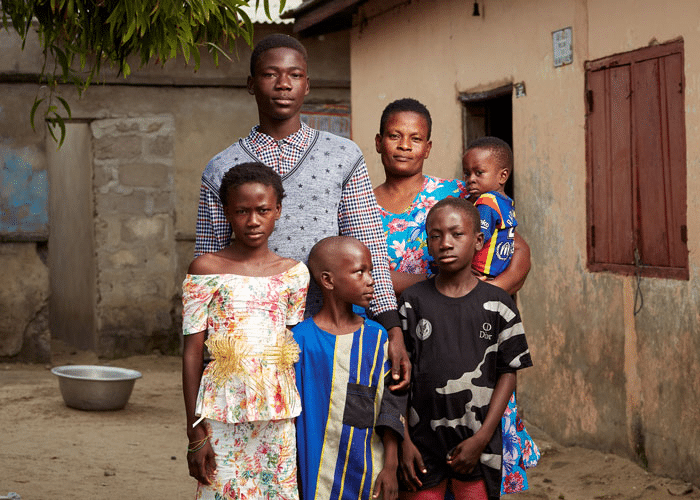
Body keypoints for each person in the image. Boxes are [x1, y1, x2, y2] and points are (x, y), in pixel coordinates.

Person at [195, 33, 409, 389]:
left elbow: (368, 245)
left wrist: (392, 327)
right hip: (248, 337)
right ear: (251, 84)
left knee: (321, 434)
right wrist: (209, 353)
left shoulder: (343, 156)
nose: (283, 84)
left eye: (295, 75)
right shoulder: (221, 167)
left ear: (307, 85)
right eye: (270, 74)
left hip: (330, 335)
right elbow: (209, 264)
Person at [182, 162, 310, 499]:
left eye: (263, 210)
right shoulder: (206, 269)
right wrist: (196, 432)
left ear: (277, 210)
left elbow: (291, 345)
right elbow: (192, 351)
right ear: (226, 211)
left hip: (277, 410)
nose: (252, 221)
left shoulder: (294, 274)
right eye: (241, 211)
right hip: (222, 410)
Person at [398, 198, 533, 500]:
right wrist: (404, 441)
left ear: (478, 241)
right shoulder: (412, 302)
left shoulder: (498, 304)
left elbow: (508, 374)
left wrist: (482, 438)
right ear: (428, 242)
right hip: (421, 447)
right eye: (436, 235)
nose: (446, 243)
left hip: (477, 445)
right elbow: (398, 379)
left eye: (457, 234)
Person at [373, 98, 530, 298]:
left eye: (416, 139)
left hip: (456, 320)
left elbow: (518, 249)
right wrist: (436, 283)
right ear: (379, 142)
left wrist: (491, 291)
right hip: (383, 324)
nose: (405, 146)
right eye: (395, 136)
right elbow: (360, 275)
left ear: (427, 148)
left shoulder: (462, 194)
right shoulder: (361, 205)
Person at [293, 236, 407, 500]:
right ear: (328, 280)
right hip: (317, 477)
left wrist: (390, 466)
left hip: (370, 473)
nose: (371, 279)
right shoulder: (300, 341)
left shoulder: (377, 337)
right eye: (359, 272)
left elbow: (391, 403)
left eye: (370, 271)